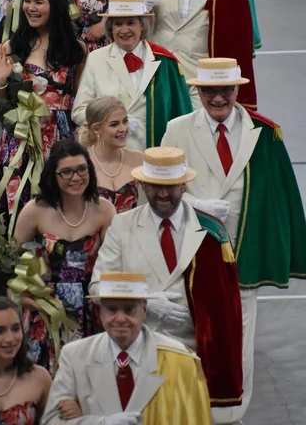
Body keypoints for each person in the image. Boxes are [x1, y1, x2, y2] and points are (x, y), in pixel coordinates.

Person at [161, 57, 306, 424]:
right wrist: (195, 204)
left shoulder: (264, 132)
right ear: (199, 91)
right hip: (187, 255)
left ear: (237, 90)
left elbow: (280, 196)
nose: (218, 97)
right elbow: (160, 187)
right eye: (210, 90)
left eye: (226, 90)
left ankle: (231, 415)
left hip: (241, 258)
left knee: (238, 342)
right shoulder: (177, 130)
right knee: (189, 336)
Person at [89, 147, 244, 417]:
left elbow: (226, 309)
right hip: (135, 358)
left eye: (170, 186)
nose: (162, 194)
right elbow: (98, 287)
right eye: (155, 186)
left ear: (184, 186)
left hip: (193, 360)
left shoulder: (211, 232)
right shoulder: (122, 226)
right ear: (143, 185)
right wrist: (145, 300)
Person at [42, 271, 212, 425]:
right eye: (112, 309)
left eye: (129, 310)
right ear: (100, 312)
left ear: (144, 310)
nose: (120, 318)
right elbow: (51, 421)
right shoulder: (74, 356)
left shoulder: (181, 360)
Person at [0, 0, 86, 237]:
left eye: (39, 2)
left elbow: (78, 96)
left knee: (60, 202)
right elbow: (4, 104)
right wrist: (0, 82)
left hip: (60, 136)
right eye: (28, 1)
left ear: (54, 6)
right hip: (22, 137)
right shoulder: (13, 47)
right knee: (19, 203)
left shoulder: (76, 50)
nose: (31, 8)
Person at [14, 139, 116, 375]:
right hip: (47, 310)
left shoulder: (105, 209)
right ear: (53, 175)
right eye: (66, 172)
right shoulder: (34, 210)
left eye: (82, 169)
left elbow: (114, 261)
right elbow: (12, 263)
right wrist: (24, 298)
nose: (76, 177)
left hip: (91, 308)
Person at [72, 0, 192, 151]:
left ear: (142, 25)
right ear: (111, 28)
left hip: (153, 153)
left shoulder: (165, 61)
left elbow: (180, 114)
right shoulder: (96, 59)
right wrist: (109, 122)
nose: (124, 30)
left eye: (131, 23)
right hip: (109, 155)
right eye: (118, 24)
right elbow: (79, 111)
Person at [79, 96, 143, 212]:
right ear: (96, 129)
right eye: (114, 124)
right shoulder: (81, 164)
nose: (123, 129)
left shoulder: (139, 159)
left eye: (125, 121)